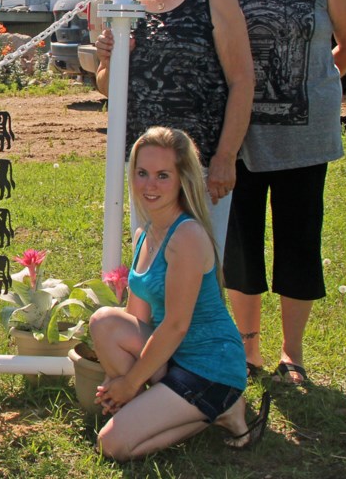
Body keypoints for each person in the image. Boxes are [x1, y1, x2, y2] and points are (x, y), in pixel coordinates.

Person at [207, 0, 346, 384]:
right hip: (239, 138)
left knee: (299, 243)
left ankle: (291, 355)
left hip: (305, 137)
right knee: (242, 247)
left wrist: (318, 83)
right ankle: (249, 352)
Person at [90, 127, 269, 460]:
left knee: (111, 444)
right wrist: (120, 379)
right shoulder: (145, 233)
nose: (149, 185)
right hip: (173, 358)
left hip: (210, 366)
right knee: (105, 322)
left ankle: (222, 409)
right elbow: (136, 319)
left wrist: (128, 385)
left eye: (162, 175)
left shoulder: (186, 236)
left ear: (182, 179)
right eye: (142, 173)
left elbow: (175, 326)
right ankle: (158, 407)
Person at [94, 0, 254, 258]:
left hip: (198, 165)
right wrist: (111, 62)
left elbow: (242, 80)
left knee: (201, 267)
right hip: (145, 166)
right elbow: (107, 87)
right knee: (150, 267)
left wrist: (225, 157)